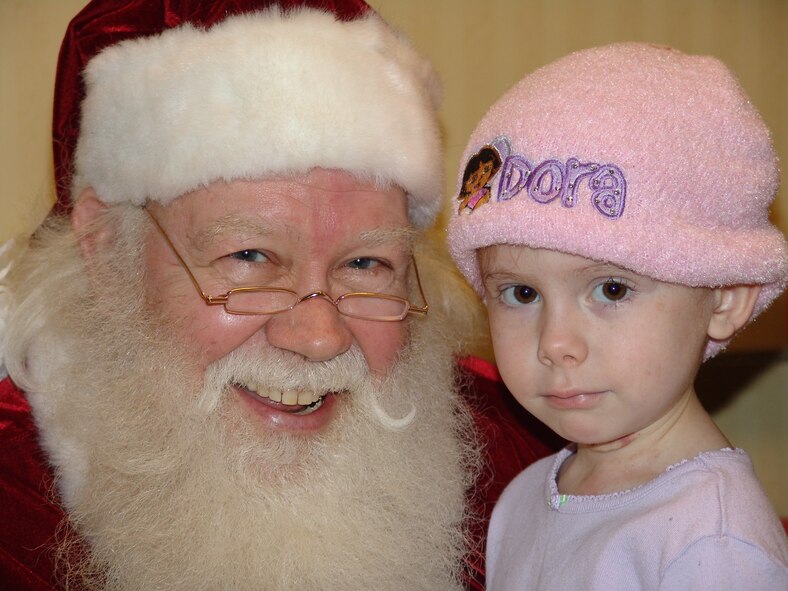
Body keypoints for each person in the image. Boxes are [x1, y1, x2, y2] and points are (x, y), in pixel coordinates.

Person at [0, 1, 559, 590]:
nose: (320, 337)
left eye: (365, 264)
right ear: (107, 253)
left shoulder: (532, 469)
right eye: (249, 257)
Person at [447, 42, 788, 589]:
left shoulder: (713, 544)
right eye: (522, 294)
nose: (556, 343)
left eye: (611, 289)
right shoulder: (521, 498)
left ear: (725, 297)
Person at [457, 146, 502, 214]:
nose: (481, 176)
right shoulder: (469, 194)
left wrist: (483, 201)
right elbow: (462, 207)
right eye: (474, 177)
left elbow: (480, 208)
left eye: (486, 170)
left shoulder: (486, 193)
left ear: (491, 173)